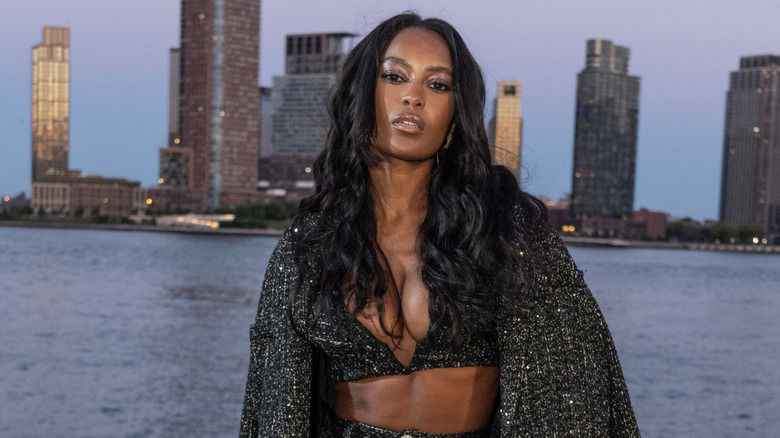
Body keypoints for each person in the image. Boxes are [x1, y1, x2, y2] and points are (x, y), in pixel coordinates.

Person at [240, 12, 640, 438]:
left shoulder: (507, 230)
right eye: (394, 77)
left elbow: (578, 381)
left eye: (437, 85)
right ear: (362, 95)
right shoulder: (311, 243)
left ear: (455, 118)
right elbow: (274, 400)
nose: (413, 97)